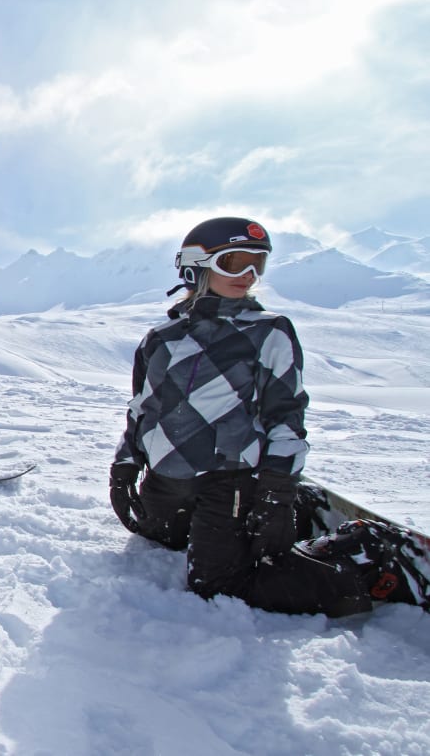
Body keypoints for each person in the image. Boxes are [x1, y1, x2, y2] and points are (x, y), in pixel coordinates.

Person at [110, 217, 422, 617]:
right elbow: (142, 408)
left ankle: (373, 558)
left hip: (230, 479)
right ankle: (305, 509)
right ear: (195, 266)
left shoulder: (269, 331)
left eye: (258, 264)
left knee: (217, 585)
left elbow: (286, 417)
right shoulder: (160, 338)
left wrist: (276, 494)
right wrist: (124, 465)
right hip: (169, 478)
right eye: (235, 262)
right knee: (161, 538)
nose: (248, 275)